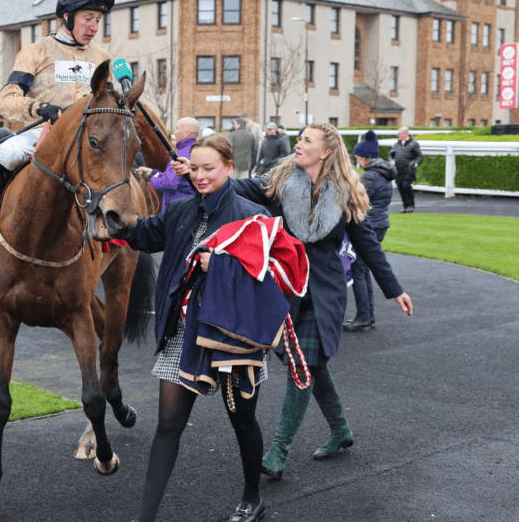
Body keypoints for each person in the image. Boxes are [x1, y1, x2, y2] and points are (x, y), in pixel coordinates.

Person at [179, 123, 412, 480]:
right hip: (288, 287)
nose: (298, 144)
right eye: (299, 138)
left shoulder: (346, 192)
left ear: (325, 152)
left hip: (326, 292)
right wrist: (212, 176)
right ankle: (341, 430)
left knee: (304, 364)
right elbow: (246, 187)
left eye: (306, 141)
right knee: (310, 364)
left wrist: (394, 289)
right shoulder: (283, 180)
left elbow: (368, 245)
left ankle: (277, 452)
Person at [125, 137, 272, 522]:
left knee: (242, 421)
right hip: (183, 333)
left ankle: (252, 496)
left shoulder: (252, 215)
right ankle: (145, 517)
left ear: (229, 168)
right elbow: (144, 233)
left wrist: (220, 268)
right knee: (167, 425)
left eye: (209, 168)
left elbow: (265, 277)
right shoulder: (180, 210)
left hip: (233, 337)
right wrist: (115, 220)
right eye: (195, 168)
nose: (201, 175)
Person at [0, 0, 114, 201]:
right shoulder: (35, 51)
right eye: (88, 19)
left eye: (98, 20)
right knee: (7, 154)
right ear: (67, 17)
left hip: (88, 138)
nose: (94, 28)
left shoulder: (102, 56)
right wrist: (39, 108)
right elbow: (6, 100)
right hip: (43, 133)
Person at [344, 130, 398, 331]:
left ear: (365, 157)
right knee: (363, 270)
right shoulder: (382, 173)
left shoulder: (369, 176)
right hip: (380, 223)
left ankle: (364, 316)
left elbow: (354, 200)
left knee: (358, 270)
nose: (357, 159)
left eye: (358, 156)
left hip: (370, 225)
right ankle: (367, 315)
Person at [134, 117, 198, 211]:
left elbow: (168, 183)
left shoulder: (181, 154)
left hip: (178, 211)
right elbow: (175, 179)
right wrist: (152, 172)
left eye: (177, 128)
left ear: (186, 133)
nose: (174, 132)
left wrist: (153, 178)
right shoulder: (195, 151)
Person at [387, 127, 423, 213]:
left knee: (406, 185)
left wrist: (416, 163)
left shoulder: (414, 144)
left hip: (409, 169)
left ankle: (411, 205)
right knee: (400, 186)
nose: (398, 135)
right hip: (398, 169)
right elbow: (390, 155)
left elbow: (419, 156)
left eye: (400, 134)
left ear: (406, 134)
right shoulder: (396, 145)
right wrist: (391, 160)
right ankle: (405, 205)